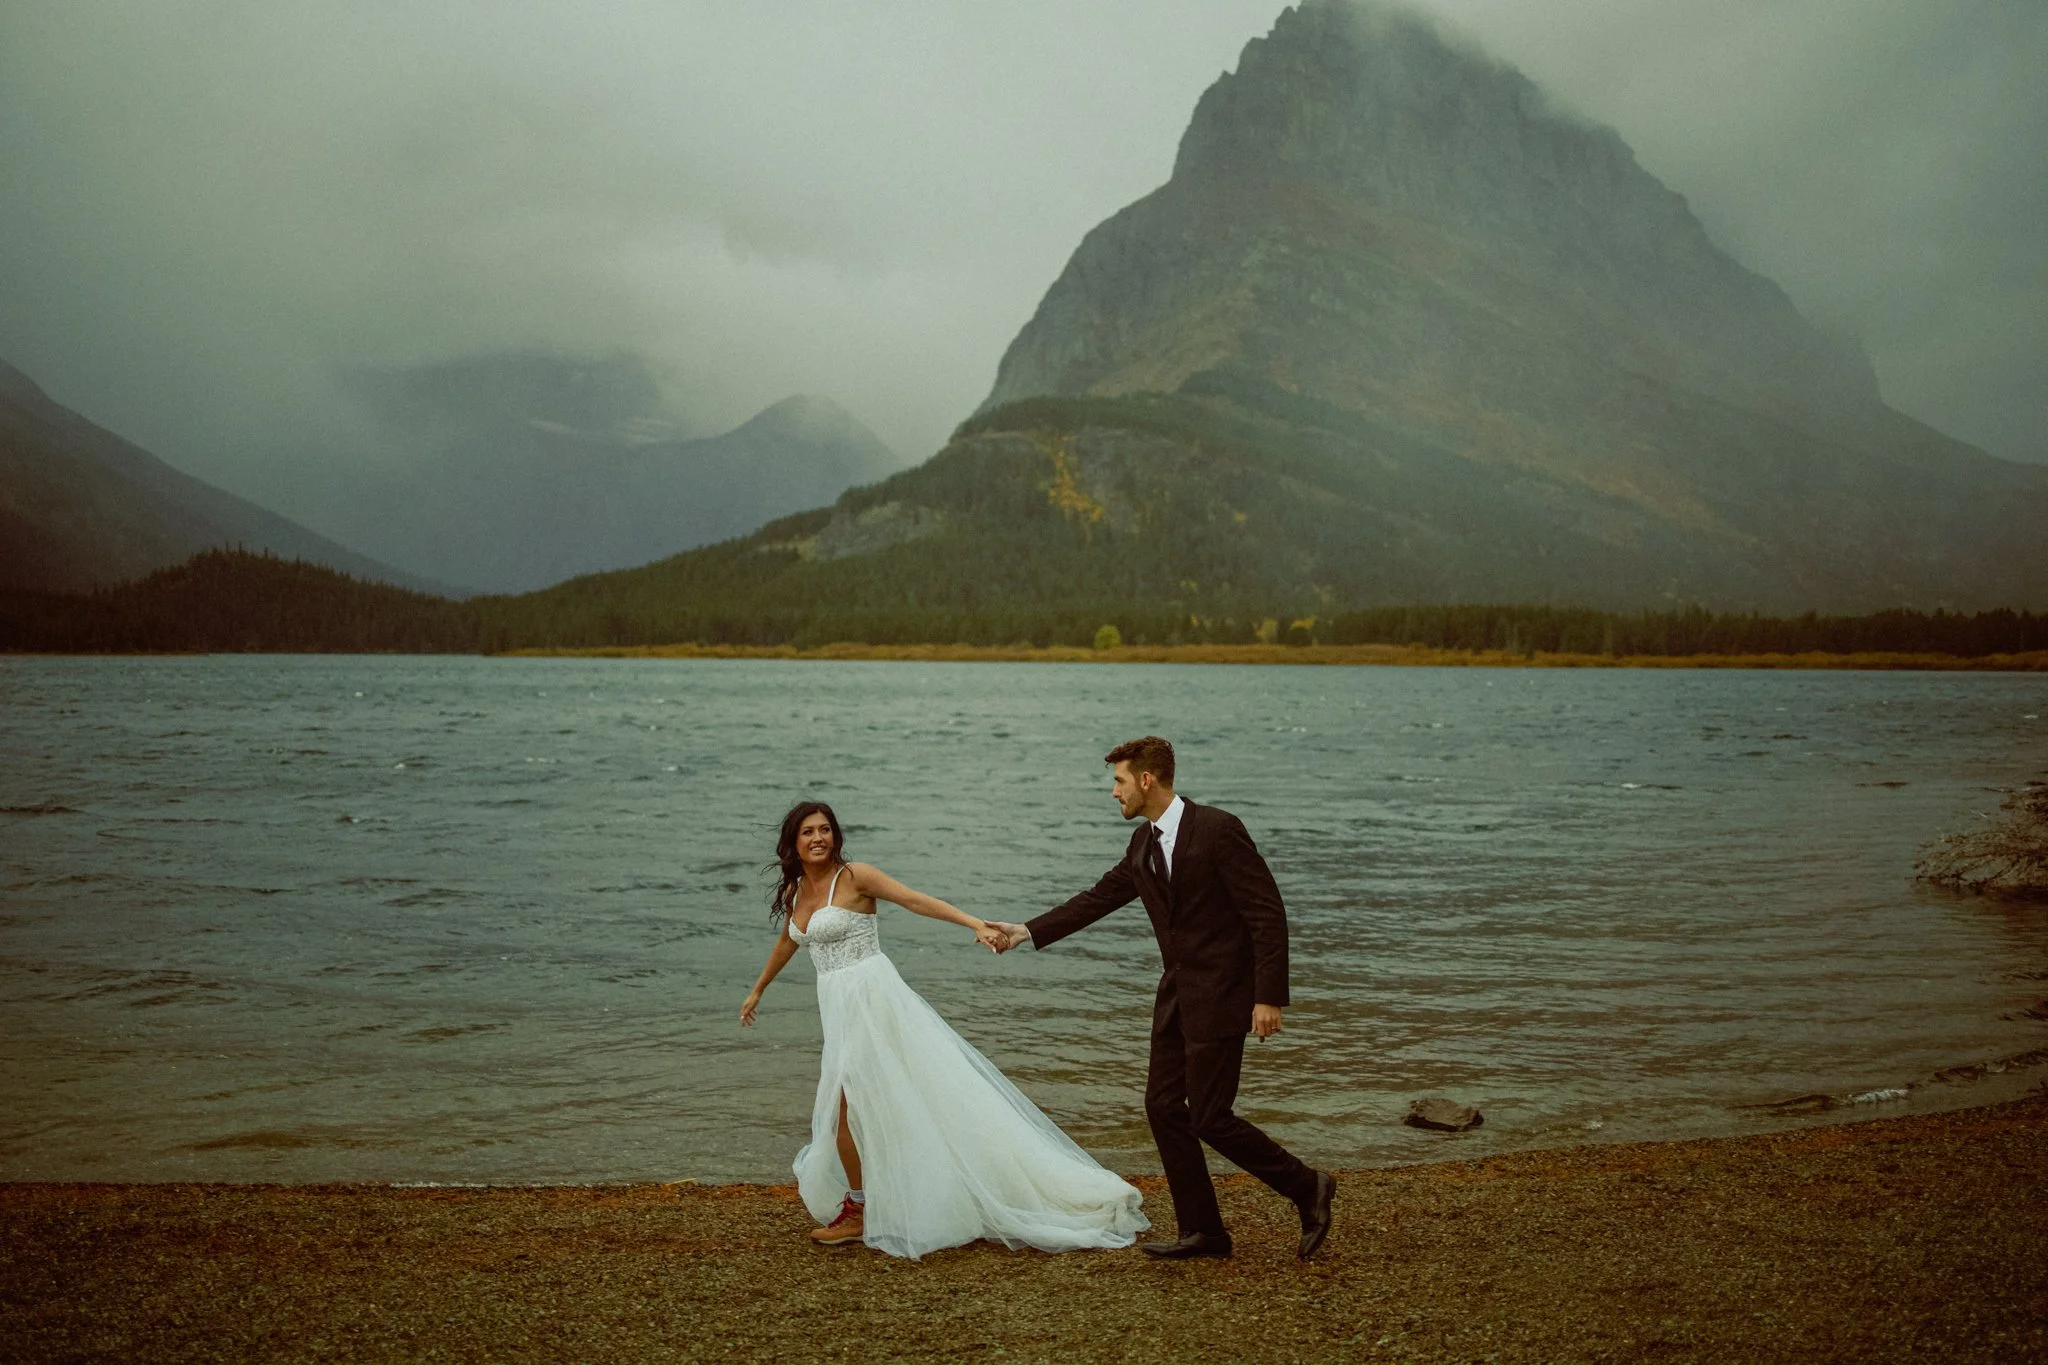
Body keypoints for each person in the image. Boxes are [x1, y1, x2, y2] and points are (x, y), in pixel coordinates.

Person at [739, 800, 1148, 1259]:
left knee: (845, 1109)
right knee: (857, 1108)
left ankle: (862, 1209)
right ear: (793, 842)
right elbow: (787, 940)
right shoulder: (798, 890)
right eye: (808, 832)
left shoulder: (855, 877)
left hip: (875, 1001)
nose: (818, 838)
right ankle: (877, 1201)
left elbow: (915, 900)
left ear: (836, 836)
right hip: (837, 1006)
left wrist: (974, 923)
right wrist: (758, 990)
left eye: (826, 830)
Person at [988, 736, 1336, 1260]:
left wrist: (1268, 997)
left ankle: (1306, 1186)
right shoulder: (1143, 845)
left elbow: (1267, 914)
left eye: (1119, 781)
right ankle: (1206, 1232)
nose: (1114, 793)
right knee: (1162, 1107)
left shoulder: (1219, 830)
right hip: (1176, 996)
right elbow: (1098, 898)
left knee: (1211, 1116)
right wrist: (1025, 932)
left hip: (1223, 995)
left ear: (1146, 781)